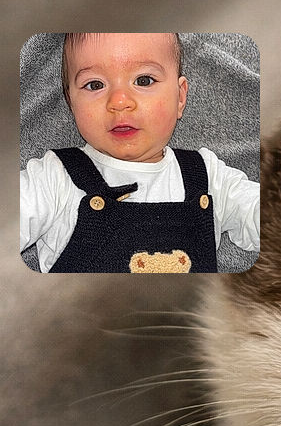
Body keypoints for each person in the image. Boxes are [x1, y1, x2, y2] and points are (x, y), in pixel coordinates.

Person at [19, 32, 259, 273]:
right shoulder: (53, 177)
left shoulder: (209, 176)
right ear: (71, 102)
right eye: (95, 85)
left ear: (180, 97)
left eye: (144, 80)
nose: (120, 101)